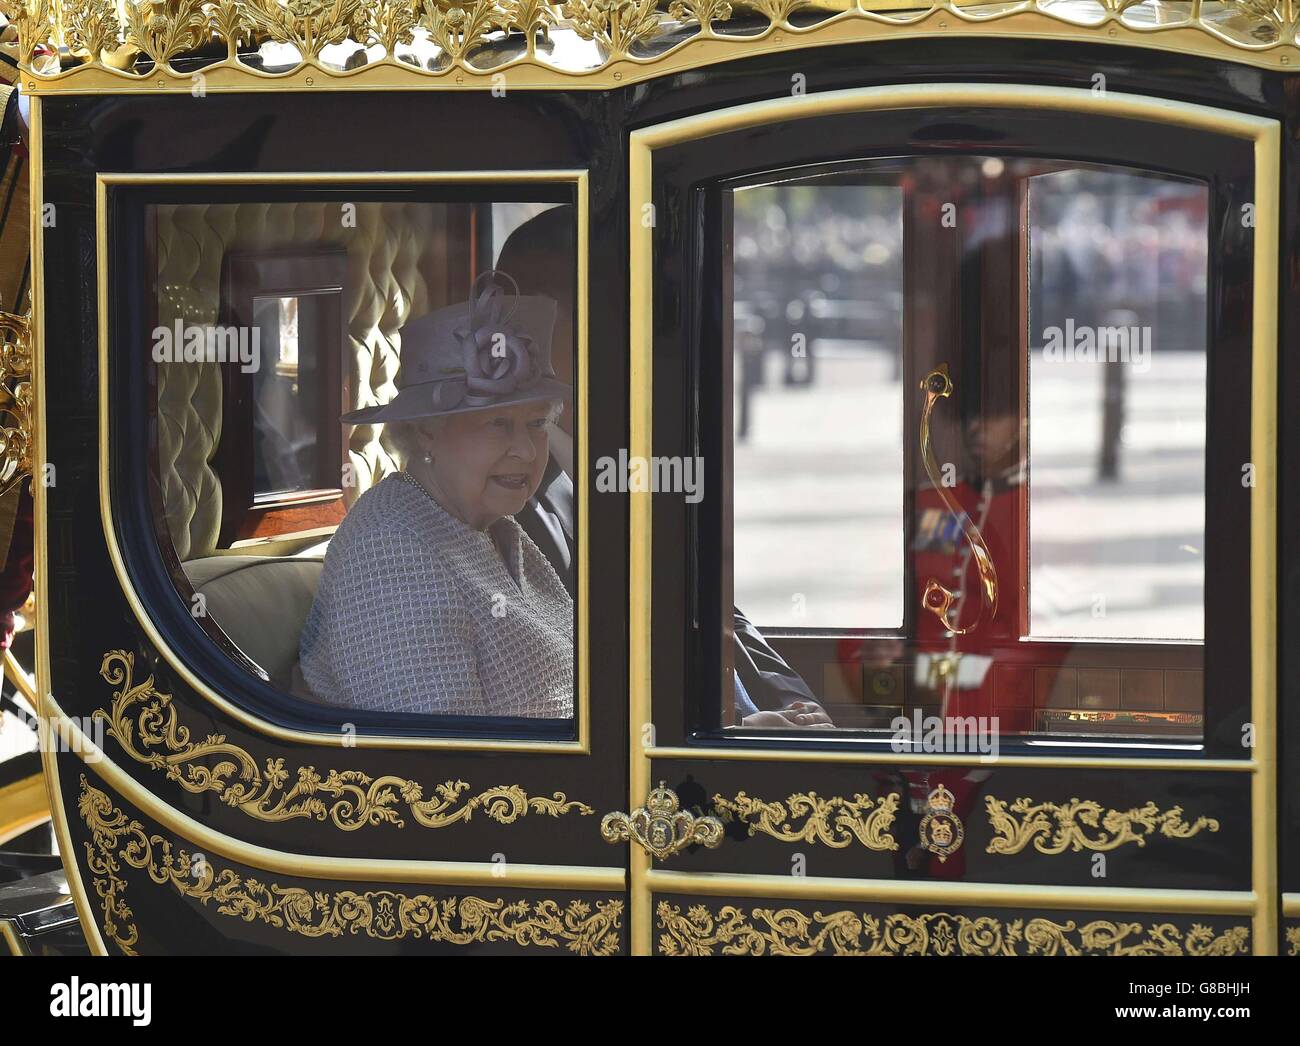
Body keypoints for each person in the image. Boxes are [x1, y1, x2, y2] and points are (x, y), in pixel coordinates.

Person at [497, 207, 833, 729]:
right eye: (612, 313)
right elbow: (576, 689)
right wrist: (736, 733)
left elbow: (716, 608)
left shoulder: (639, 447)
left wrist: (793, 702)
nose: (640, 335)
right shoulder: (499, 497)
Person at [298, 270, 574, 718]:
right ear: (427, 430)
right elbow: (441, 761)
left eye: (537, 423)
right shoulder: (389, 548)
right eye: (498, 423)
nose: (525, 449)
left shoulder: (497, 530)